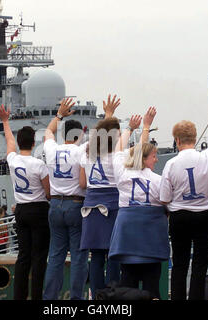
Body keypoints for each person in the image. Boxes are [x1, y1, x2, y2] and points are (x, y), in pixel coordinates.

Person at [159, 98, 208, 300]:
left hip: (180, 216)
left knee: (180, 265)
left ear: (176, 140)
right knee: (200, 265)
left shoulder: (171, 164)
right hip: (205, 216)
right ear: (194, 137)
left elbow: (164, 197)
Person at [108, 107, 170, 299]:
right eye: (153, 157)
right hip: (150, 236)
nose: (156, 159)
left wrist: (130, 129)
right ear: (145, 159)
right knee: (152, 284)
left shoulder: (122, 174)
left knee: (127, 282)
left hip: (128, 234)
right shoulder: (158, 180)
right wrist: (146, 126)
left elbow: (118, 151)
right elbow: (165, 203)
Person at [0, 104, 51, 300]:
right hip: (39, 210)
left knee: (23, 256)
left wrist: (5, 120)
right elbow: (48, 192)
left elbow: (9, 141)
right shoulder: (39, 164)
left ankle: (19, 296)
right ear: (34, 142)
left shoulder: (13, 160)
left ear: (20, 143)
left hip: (21, 210)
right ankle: (36, 297)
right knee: (39, 257)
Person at [42, 97, 89, 300]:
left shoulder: (52, 149)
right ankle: (76, 299)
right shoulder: (82, 150)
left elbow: (48, 132)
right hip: (76, 205)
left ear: (64, 134)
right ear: (80, 135)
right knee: (79, 257)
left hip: (55, 205)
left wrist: (59, 115)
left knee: (55, 256)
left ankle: (50, 298)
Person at [78, 94, 122, 297]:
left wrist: (108, 115)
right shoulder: (116, 157)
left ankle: (97, 295)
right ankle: (113, 294)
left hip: (91, 206)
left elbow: (82, 183)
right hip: (112, 204)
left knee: (95, 256)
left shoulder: (87, 153)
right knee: (113, 253)